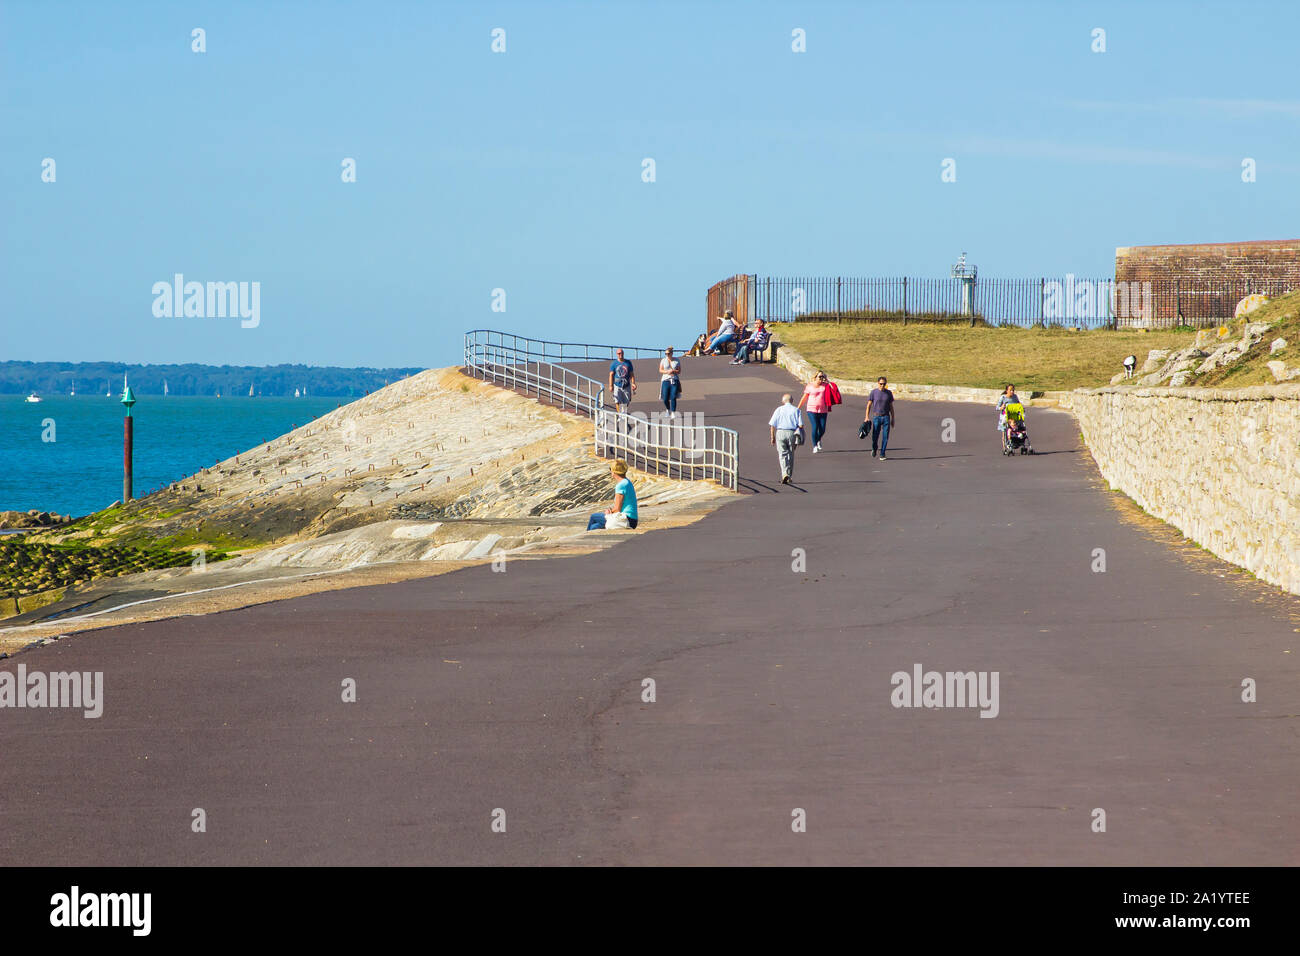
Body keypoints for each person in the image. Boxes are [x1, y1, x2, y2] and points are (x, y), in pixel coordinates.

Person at [587, 459, 638, 530]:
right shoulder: (627, 482)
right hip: (632, 519)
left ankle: (583, 537)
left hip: (626, 519)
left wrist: (609, 512)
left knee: (593, 517)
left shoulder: (621, 485)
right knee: (595, 527)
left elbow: (617, 509)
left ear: (613, 472)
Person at [769, 393, 804, 485]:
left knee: (782, 454)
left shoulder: (779, 409)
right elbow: (800, 425)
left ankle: (784, 473)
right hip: (792, 433)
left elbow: (772, 424)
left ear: (782, 401)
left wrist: (772, 437)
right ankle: (789, 475)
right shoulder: (796, 410)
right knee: (791, 454)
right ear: (792, 401)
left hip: (780, 432)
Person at [797, 370, 832, 453]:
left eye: (822, 377)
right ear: (815, 377)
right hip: (811, 409)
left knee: (822, 428)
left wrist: (827, 380)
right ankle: (815, 445)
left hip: (823, 409)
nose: (821, 378)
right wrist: (798, 407)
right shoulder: (810, 386)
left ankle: (818, 439)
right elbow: (804, 397)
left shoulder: (825, 385)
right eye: (820, 376)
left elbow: (834, 389)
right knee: (815, 426)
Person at [866, 376, 896, 460]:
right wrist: (866, 417)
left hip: (886, 417)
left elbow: (891, 407)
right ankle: (874, 448)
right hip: (877, 417)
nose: (882, 385)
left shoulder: (888, 393)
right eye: (881, 384)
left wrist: (893, 418)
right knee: (875, 436)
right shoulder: (874, 392)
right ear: (878, 383)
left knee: (885, 436)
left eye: (884, 384)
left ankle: (882, 453)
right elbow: (869, 405)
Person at [609, 348, 637, 412]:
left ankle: (623, 412)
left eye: (621, 353)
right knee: (617, 400)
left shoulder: (628, 363)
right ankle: (620, 414)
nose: (620, 355)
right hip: (617, 385)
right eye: (619, 353)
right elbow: (611, 374)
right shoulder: (614, 363)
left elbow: (631, 374)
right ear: (617, 354)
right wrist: (611, 385)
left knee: (626, 401)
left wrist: (633, 383)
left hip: (626, 385)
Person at [996, 383, 1021, 451]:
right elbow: (997, 407)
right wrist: (1001, 407)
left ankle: (1016, 442)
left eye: (1013, 390)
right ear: (1007, 390)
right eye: (1010, 390)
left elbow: (1019, 404)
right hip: (1005, 417)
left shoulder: (1015, 397)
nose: (1012, 391)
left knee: (1016, 429)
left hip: (1013, 417)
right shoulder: (1003, 397)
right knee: (1005, 432)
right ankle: (1005, 447)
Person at [659, 346, 682, 416]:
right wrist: (667, 371)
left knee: (673, 396)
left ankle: (673, 412)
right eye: (666, 354)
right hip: (665, 380)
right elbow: (660, 370)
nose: (667, 355)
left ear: (672, 353)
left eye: (668, 353)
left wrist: (673, 371)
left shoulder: (676, 360)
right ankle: (668, 409)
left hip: (674, 380)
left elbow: (679, 371)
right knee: (665, 397)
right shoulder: (663, 360)